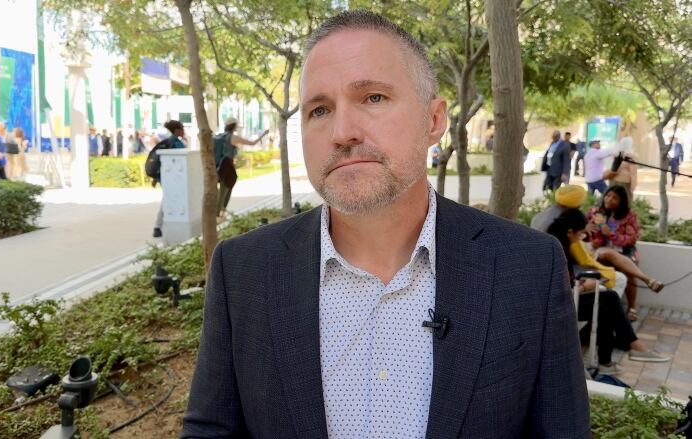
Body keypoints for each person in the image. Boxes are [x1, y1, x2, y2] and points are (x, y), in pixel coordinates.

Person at [182, 11, 589, 438]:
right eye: (319, 109)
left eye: (373, 97)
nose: (342, 132)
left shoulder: (527, 267)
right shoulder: (244, 271)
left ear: (433, 121)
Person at [547, 208, 671, 372]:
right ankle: (633, 345)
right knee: (610, 299)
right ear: (570, 232)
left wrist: (583, 283)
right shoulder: (556, 251)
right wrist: (584, 286)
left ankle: (606, 362)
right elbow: (554, 291)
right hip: (557, 307)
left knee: (606, 303)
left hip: (566, 300)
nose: (581, 239)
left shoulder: (559, 245)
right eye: (580, 235)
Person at [587, 185, 663, 320]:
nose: (609, 199)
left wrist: (612, 234)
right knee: (608, 255)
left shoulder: (629, 215)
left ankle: (632, 307)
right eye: (608, 195)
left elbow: (631, 240)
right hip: (601, 250)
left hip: (625, 251)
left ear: (621, 201)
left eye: (614, 198)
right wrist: (589, 230)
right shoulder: (595, 212)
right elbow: (585, 236)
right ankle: (647, 280)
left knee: (627, 268)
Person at [214, 117, 268, 217]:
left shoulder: (221, 136)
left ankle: (219, 212)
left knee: (225, 188)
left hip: (220, 165)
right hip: (227, 165)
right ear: (234, 125)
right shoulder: (232, 137)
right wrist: (264, 134)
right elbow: (252, 143)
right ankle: (218, 213)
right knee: (225, 188)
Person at [150, 120, 187, 238]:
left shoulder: (167, 142)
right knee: (168, 199)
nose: (183, 131)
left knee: (168, 198)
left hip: (165, 177)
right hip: (175, 178)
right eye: (182, 128)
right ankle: (158, 226)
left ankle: (159, 226)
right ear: (176, 130)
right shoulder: (176, 144)